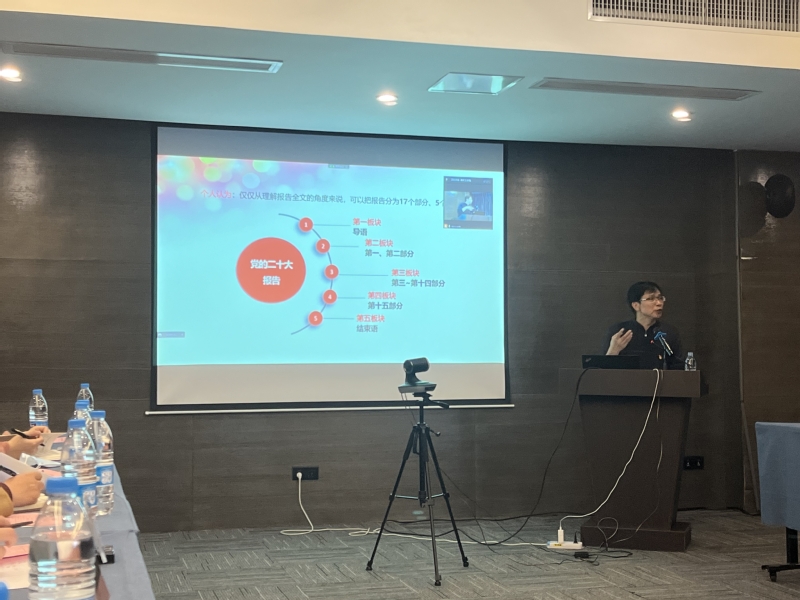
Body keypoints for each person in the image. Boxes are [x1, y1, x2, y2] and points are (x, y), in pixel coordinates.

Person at [603, 281, 683, 369]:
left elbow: (679, 368)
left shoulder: (668, 332)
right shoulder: (619, 332)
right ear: (636, 305)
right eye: (651, 298)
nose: (659, 303)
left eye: (660, 298)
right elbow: (604, 372)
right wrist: (614, 351)